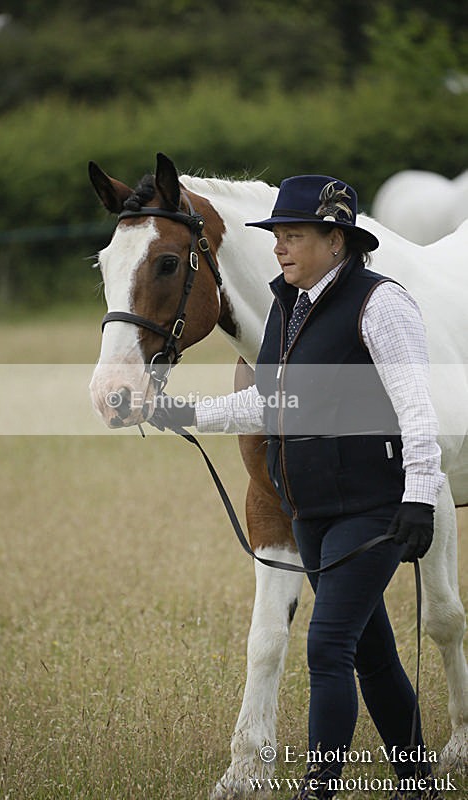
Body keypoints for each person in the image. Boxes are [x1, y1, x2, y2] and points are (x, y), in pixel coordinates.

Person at [150, 175, 445, 800]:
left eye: (293, 235)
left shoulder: (381, 304)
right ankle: (418, 781)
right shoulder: (289, 305)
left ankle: (318, 788)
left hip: (372, 508)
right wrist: (180, 411)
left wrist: (420, 496)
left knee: (328, 647)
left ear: (336, 241)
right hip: (310, 511)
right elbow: (269, 403)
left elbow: (418, 408)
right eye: (277, 235)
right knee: (372, 656)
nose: (279, 247)